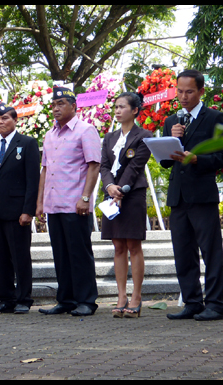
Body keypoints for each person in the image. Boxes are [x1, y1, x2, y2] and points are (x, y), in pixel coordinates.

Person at [161, 70, 223, 321]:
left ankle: (215, 304)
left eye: (189, 91)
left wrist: (197, 159)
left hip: (202, 195)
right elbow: (166, 162)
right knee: (182, 252)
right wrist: (172, 139)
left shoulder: (215, 118)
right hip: (178, 196)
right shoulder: (171, 121)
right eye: (179, 91)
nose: (183, 96)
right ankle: (192, 301)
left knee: (211, 252)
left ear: (201, 91)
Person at [36, 87, 101, 316]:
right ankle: (66, 300)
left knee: (79, 253)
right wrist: (40, 203)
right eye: (54, 104)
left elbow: (94, 165)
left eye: (61, 103)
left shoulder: (86, 130)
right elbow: (45, 170)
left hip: (76, 204)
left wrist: (85, 197)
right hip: (54, 204)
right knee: (61, 254)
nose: (56, 108)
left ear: (74, 106)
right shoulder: (50, 134)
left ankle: (87, 301)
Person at [0, 104, 40, 314]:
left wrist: (28, 210)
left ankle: (23, 298)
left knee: (20, 256)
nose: (0, 122)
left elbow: (33, 180)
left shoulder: (28, 143)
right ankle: (5, 298)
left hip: (17, 212)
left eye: (5, 118)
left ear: (15, 120)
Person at [100, 92, 153, 318]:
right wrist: (110, 187)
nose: (118, 111)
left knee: (133, 245)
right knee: (118, 245)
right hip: (112, 196)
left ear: (134, 110)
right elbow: (103, 166)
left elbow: (135, 167)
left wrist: (120, 190)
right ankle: (121, 296)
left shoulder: (144, 136)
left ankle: (136, 298)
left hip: (131, 196)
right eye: (116, 107)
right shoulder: (109, 138)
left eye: (122, 107)